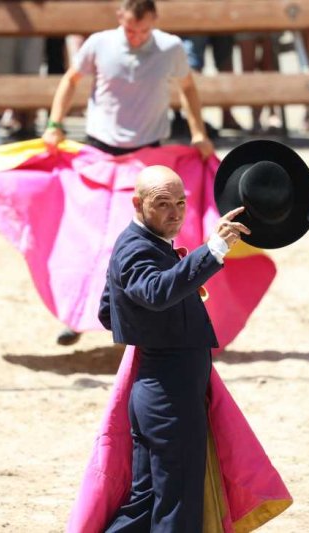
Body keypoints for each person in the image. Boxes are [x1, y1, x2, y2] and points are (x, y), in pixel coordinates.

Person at [41, 0, 214, 345]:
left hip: (148, 156)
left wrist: (198, 132)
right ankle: (78, 316)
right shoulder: (99, 43)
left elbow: (189, 88)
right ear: (120, 18)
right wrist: (54, 124)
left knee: (153, 240)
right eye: (130, 30)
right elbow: (70, 80)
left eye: (143, 30)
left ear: (154, 22)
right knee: (92, 240)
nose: (136, 38)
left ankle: (155, 316)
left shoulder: (170, 47)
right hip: (101, 152)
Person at [97, 165, 248, 532]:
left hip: (160, 390)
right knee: (176, 505)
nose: (175, 212)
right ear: (138, 203)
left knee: (147, 502)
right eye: (162, 203)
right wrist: (212, 250)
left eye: (180, 202)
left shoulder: (144, 245)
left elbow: (108, 310)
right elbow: (155, 292)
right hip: (168, 396)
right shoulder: (137, 248)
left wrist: (149, 322)